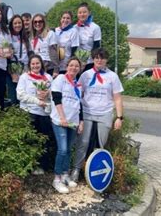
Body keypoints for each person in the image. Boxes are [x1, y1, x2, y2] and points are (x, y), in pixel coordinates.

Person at [70, 48, 124, 182]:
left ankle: (96, 173)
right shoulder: (85, 75)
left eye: (102, 58)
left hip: (104, 113)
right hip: (87, 112)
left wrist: (119, 117)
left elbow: (117, 98)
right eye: (96, 58)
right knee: (83, 142)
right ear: (93, 59)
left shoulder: (112, 76)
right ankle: (76, 169)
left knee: (101, 144)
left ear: (106, 60)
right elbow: (78, 94)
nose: (99, 60)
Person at [50, 57, 84, 193]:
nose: (73, 68)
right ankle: (56, 179)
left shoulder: (77, 84)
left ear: (79, 69)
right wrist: (62, 117)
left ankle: (65, 174)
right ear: (67, 66)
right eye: (71, 65)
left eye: (76, 66)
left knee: (69, 149)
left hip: (73, 121)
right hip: (60, 121)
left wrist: (81, 121)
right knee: (62, 149)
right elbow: (56, 98)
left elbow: (79, 104)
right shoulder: (60, 79)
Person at [16, 54, 54, 175]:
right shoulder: (24, 77)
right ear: (29, 65)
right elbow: (20, 95)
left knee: (44, 141)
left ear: (41, 64)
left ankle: (42, 166)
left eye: (37, 63)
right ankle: (29, 165)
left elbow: (54, 95)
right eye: (33, 63)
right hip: (28, 112)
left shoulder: (47, 77)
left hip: (44, 114)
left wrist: (47, 94)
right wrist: (37, 101)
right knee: (29, 140)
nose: (35, 65)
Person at [7, 15, 31, 105]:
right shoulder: (8, 36)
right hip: (13, 67)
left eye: (19, 23)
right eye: (15, 23)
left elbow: (30, 51)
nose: (17, 25)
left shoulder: (25, 37)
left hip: (25, 67)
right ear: (12, 25)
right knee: (13, 93)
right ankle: (13, 113)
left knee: (24, 92)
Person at [75, 2, 102, 73]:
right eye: (80, 12)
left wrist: (85, 60)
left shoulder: (95, 27)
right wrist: (80, 60)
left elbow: (96, 46)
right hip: (76, 62)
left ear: (89, 13)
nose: (82, 14)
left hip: (90, 62)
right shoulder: (74, 28)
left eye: (84, 12)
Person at [30, 13, 59, 78]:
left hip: (49, 67)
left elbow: (53, 52)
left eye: (40, 21)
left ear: (44, 23)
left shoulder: (50, 34)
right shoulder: (32, 37)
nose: (38, 24)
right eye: (35, 22)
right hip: (37, 68)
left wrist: (56, 69)